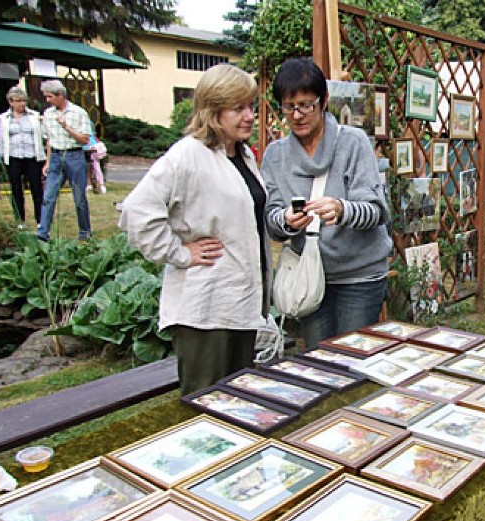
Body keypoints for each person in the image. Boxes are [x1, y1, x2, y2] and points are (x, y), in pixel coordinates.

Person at [119, 64, 270, 395]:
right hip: (206, 311)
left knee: (239, 403)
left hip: (239, 306)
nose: (249, 116)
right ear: (213, 111)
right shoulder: (188, 155)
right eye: (238, 108)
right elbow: (137, 211)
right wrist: (179, 252)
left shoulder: (242, 155)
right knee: (206, 407)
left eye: (250, 106)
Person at [262, 57, 392, 348]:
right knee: (319, 360)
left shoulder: (353, 143)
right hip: (309, 275)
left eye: (306, 104)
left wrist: (342, 209)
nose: (297, 115)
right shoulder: (275, 156)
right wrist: (285, 220)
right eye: (289, 107)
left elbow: (376, 210)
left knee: (353, 360)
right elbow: (271, 221)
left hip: (359, 277)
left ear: (324, 102)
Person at [36, 79, 93, 241]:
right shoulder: (48, 114)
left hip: (74, 156)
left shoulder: (79, 113)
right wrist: (47, 162)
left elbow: (85, 140)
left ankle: (85, 232)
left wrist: (66, 126)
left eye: (50, 97)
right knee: (48, 197)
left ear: (60, 95)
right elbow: (48, 140)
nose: (47, 101)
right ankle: (43, 233)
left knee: (79, 198)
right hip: (55, 157)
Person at [0, 86, 46, 228]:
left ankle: (40, 220)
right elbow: (0, 140)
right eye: (18, 101)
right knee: (16, 189)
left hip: (32, 157)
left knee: (37, 188)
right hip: (14, 157)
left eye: (24, 101)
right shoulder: (4, 119)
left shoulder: (34, 116)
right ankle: (20, 220)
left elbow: (43, 135)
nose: (22, 104)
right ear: (11, 102)